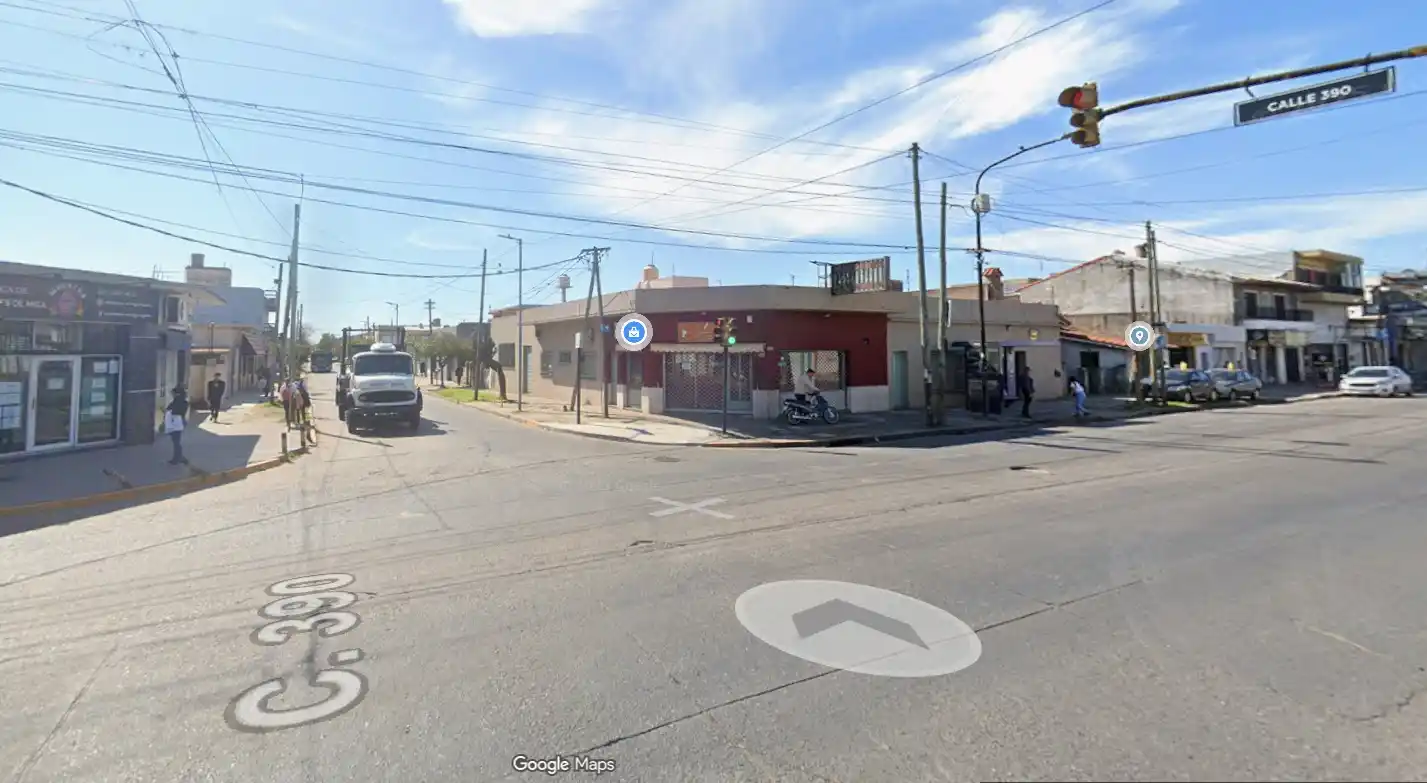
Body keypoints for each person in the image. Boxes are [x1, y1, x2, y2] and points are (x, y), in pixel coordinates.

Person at [163, 385, 189, 465]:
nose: (172, 395)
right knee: (176, 441)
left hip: (176, 424)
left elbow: (175, 411)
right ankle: (179, 457)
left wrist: (167, 411)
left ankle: (178, 458)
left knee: (176, 441)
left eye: (173, 393)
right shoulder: (181, 401)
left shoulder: (178, 402)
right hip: (177, 423)